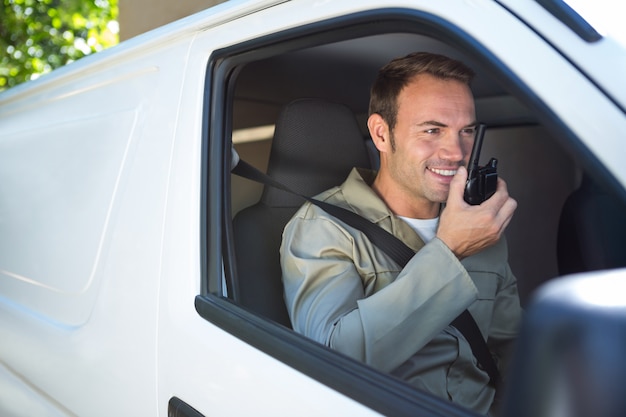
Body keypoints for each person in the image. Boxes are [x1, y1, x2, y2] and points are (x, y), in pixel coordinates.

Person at [280, 52, 522, 416]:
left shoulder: (481, 225)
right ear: (381, 133)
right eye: (432, 130)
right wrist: (450, 250)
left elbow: (513, 354)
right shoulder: (323, 228)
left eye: (467, 131)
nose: (456, 152)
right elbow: (332, 363)